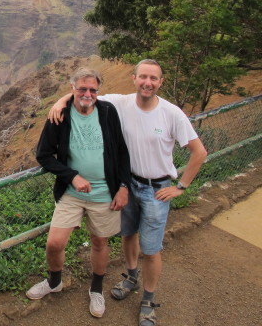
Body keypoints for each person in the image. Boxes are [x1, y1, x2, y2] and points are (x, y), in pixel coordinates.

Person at [47, 59, 207, 326]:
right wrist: (61, 101)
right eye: (143, 77)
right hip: (126, 185)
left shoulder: (172, 113)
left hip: (156, 188)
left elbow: (199, 152)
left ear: (160, 82)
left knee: (152, 248)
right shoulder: (120, 103)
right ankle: (131, 276)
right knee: (128, 235)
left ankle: (148, 298)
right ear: (134, 78)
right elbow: (86, 93)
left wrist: (181, 187)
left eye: (153, 78)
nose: (148, 82)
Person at [26, 67, 131, 318]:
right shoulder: (60, 115)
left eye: (92, 89)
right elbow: (43, 155)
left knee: (99, 241)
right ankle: (54, 281)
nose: (87, 93)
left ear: (98, 91)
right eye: (82, 88)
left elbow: (121, 150)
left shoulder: (107, 112)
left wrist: (124, 187)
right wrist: (71, 176)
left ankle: (96, 289)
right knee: (54, 243)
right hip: (72, 193)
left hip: (105, 192)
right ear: (72, 88)